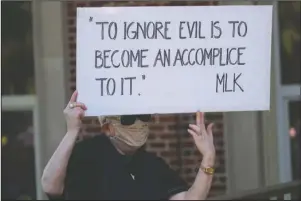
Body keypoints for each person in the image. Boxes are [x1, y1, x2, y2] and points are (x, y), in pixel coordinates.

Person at [41, 91, 216, 200]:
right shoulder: (86, 155)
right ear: (108, 128)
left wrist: (208, 158)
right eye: (128, 119)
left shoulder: (152, 166)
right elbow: (50, 186)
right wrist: (72, 131)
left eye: (144, 116)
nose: (138, 123)